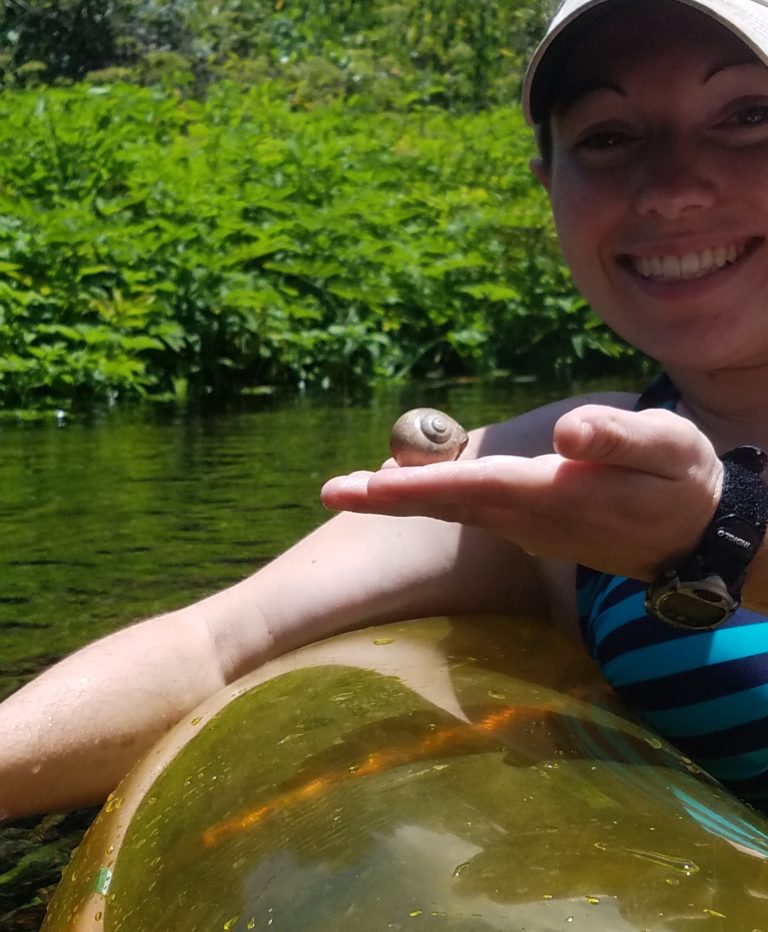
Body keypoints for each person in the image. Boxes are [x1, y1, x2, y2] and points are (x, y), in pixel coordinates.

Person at [3, 0, 768, 819]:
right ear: (550, 181)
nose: (673, 190)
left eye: (749, 115)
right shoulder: (573, 477)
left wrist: (723, 536)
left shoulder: (645, 504)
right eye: (608, 137)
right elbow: (214, 644)